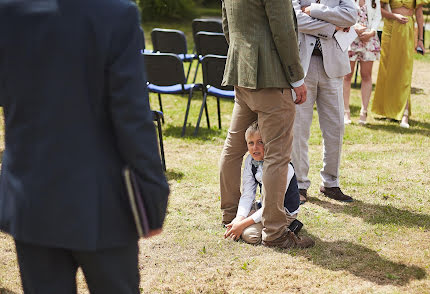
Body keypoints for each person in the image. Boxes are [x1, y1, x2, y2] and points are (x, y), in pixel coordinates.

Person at [0, 1, 169, 293]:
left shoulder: (8, 12)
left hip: (31, 197)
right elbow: (132, 117)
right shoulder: (115, 12)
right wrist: (152, 199)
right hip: (102, 202)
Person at [220, 0, 310, 249]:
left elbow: (228, 26)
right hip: (271, 78)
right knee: (277, 156)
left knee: (233, 148)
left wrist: (244, 57)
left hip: (243, 72)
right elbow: (283, 30)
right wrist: (297, 77)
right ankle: (275, 233)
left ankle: (230, 216)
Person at [291, 0, 357, 203]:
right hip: (303, 65)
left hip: (333, 66)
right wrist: (333, 26)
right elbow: (296, 20)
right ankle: (299, 184)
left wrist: (315, 10)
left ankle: (331, 183)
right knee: (299, 129)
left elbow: (350, 16)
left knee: (335, 127)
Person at [224, 122, 313, 247]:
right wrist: (239, 219)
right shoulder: (251, 160)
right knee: (239, 220)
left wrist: (243, 224)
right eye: (251, 143)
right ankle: (251, 221)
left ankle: (289, 229)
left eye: (260, 142)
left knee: (250, 235)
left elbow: (271, 205)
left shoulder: (284, 167)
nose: (255, 148)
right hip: (263, 205)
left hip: (282, 210)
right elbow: (248, 194)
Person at [371, 0, 426, 128]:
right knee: (388, 70)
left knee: (404, 71)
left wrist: (420, 40)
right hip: (390, 28)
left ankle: (405, 113)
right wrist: (394, 16)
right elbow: (380, 10)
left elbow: (419, 13)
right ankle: (389, 111)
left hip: (407, 29)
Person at [343, 0, 382, 125]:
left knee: (366, 75)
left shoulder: (374, 1)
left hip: (369, 40)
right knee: (347, 75)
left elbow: (377, 16)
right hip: (350, 38)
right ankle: (346, 112)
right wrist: (355, 29)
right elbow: (343, 14)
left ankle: (363, 112)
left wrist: (372, 32)